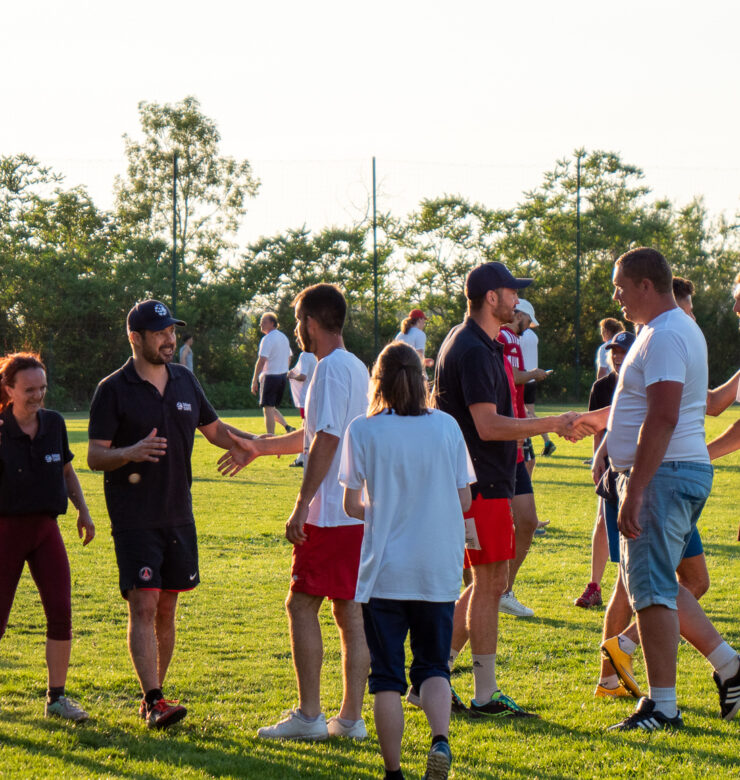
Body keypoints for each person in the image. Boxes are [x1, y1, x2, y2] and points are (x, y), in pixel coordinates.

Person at [87, 299, 259, 730]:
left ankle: (154, 699)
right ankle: (154, 698)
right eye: (161, 332)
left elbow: (215, 429)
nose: (169, 339)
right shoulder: (113, 389)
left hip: (179, 513)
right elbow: (94, 456)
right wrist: (131, 452)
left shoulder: (184, 380)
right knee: (143, 605)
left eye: (172, 331)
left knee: (167, 608)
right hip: (134, 519)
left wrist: (247, 445)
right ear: (135, 338)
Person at [592, 248, 739, 730]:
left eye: (621, 286)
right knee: (663, 586)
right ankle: (729, 666)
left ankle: (663, 706)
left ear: (645, 286)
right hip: (669, 471)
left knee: (652, 592)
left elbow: (664, 415)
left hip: (662, 475)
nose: (616, 295)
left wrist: (634, 491)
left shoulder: (668, 333)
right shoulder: (662, 331)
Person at [219, 284, 371, 740]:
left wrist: (302, 504)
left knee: (301, 603)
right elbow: (311, 433)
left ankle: (308, 715)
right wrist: (259, 448)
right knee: (350, 612)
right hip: (356, 511)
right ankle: (350, 719)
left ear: (310, 322)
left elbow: (324, 441)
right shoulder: (356, 366)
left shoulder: (326, 369)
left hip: (329, 516)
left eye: (298, 322)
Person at [433, 261, 582, 718]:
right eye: (511, 292)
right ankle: (483, 693)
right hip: (480, 482)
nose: (517, 300)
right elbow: (487, 424)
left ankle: (432, 679)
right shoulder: (475, 348)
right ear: (490, 298)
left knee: (488, 582)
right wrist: (552, 423)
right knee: (490, 583)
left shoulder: (485, 343)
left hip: (483, 479)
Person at [340, 341, 475, 780]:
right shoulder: (447, 427)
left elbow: (351, 504)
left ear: (377, 382)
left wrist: (383, 509)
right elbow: (465, 498)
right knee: (434, 666)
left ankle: (394, 772)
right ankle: (440, 740)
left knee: (386, 679)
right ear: (423, 380)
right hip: (435, 568)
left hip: (384, 572)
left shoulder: (363, 429)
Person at [0, 352, 95, 722]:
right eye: (29, 389)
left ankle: (57, 698)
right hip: (6, 532)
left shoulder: (54, 423)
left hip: (45, 531)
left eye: (42, 387)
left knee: (61, 612)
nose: (38, 395)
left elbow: (68, 472)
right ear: (8, 390)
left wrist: (84, 511)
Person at [575, 331, 636, 610]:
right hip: (609, 461)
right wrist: (596, 461)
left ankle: (630, 586)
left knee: (634, 524)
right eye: (614, 352)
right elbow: (597, 430)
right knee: (602, 521)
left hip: (637, 462)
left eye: (624, 352)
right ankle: (594, 586)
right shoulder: (602, 386)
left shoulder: (640, 382)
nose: (618, 357)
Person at [497, 306, 550, 617]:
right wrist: (533, 374)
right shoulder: (500, 338)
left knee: (527, 521)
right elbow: (507, 380)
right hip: (501, 440)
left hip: (515, 436)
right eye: (529, 319)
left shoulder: (513, 341)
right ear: (519, 314)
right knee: (488, 525)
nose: (530, 326)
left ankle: (504, 589)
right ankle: (485, 591)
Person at [516, 299, 556, 461]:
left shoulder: (518, 335)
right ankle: (542, 441)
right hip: (531, 378)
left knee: (525, 413)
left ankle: (539, 441)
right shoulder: (533, 336)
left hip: (523, 377)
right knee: (529, 413)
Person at [251, 312, 295, 435]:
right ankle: (287, 427)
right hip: (282, 376)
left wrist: (254, 380)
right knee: (271, 407)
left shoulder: (267, 339)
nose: (261, 324)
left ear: (272, 323)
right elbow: (289, 356)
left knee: (267, 408)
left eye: (264, 322)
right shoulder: (283, 337)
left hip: (270, 376)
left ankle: (271, 436)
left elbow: (262, 360)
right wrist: (284, 369)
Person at [287, 350, 318, 467]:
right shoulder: (317, 353)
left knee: (305, 427)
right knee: (307, 426)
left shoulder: (305, 355)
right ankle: (302, 457)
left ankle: (303, 458)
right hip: (315, 395)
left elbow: (302, 376)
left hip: (306, 397)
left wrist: (292, 375)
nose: (297, 340)